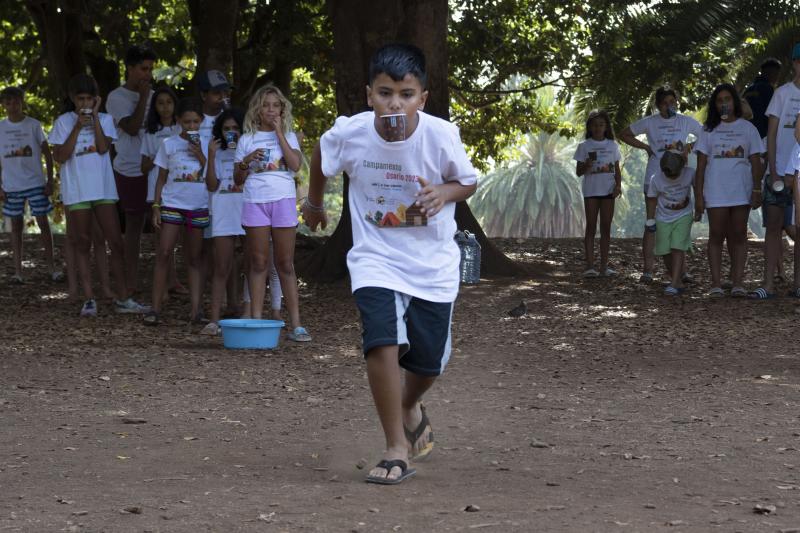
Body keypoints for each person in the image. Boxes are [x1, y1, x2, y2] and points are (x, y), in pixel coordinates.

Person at [303, 43, 478, 485]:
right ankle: (396, 447)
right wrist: (314, 202)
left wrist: (443, 194)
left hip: (432, 262)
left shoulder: (440, 135)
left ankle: (408, 402)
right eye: (385, 93)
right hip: (375, 255)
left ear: (422, 97)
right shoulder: (353, 133)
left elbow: (467, 182)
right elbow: (323, 157)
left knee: (427, 363)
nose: (394, 104)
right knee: (382, 340)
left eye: (405, 93)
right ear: (368, 95)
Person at [49, 73, 149, 316]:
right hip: (77, 191)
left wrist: (94, 119)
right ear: (73, 98)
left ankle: (123, 298)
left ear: (96, 100)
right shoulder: (62, 122)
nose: (84, 104)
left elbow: (104, 148)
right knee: (82, 242)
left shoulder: (104, 120)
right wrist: (76, 127)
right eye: (80, 99)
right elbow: (60, 156)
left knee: (115, 241)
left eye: (89, 99)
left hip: (103, 189)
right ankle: (89, 298)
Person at [233, 84, 310, 341]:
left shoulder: (288, 135)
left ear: (282, 109)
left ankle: (297, 324)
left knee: (285, 263)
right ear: (257, 109)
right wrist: (246, 160)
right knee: (258, 262)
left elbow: (297, 165)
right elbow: (238, 177)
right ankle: (255, 319)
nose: (270, 109)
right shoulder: (246, 139)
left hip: (284, 200)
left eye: (275, 105)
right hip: (255, 200)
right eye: (265, 105)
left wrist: (279, 133)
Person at [619, 86, 702, 283]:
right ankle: (648, 269)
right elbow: (624, 134)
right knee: (651, 223)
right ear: (658, 105)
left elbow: (707, 135)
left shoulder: (685, 121)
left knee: (680, 221)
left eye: (672, 102)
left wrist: (689, 148)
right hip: (654, 176)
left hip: (680, 177)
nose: (669, 107)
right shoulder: (650, 122)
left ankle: (682, 271)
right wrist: (646, 147)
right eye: (664, 103)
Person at [693, 83, 763, 298]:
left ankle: (738, 282)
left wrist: (757, 189)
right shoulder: (708, 130)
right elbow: (701, 166)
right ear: (715, 105)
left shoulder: (748, 129)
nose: (724, 103)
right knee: (716, 234)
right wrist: (698, 196)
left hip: (741, 190)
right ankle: (715, 283)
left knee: (739, 235)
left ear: (735, 102)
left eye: (728, 99)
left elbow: (756, 162)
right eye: (720, 100)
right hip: (715, 191)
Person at [144, 97, 209, 325]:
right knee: (163, 252)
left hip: (198, 205)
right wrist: (156, 206)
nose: (192, 126)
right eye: (187, 122)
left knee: (194, 258)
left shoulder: (208, 143)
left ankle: (196, 311)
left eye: (196, 122)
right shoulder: (168, 144)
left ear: (201, 122)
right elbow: (160, 178)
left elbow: (212, 175)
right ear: (179, 121)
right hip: (172, 203)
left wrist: (200, 152)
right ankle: (154, 309)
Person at [106, 44, 156, 295]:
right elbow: (133, 127)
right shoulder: (116, 97)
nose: (147, 74)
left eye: (150, 69)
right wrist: (145, 98)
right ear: (129, 68)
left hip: (156, 169)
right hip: (129, 169)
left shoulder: (156, 95)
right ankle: (131, 281)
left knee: (162, 224)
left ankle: (168, 281)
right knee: (134, 225)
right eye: (143, 69)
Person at [0, 86, 61, 283]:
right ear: (3, 105)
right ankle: (18, 272)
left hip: (35, 182)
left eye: (16, 101)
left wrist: (50, 180)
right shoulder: (1, 127)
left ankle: (52, 268)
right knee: (15, 226)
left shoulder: (33, 125)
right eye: (8, 102)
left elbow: (47, 153)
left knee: (43, 222)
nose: (12, 106)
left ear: (22, 102)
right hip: (11, 185)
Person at [202, 107, 247, 335]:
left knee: (253, 264)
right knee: (221, 266)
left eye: (235, 128)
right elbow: (211, 185)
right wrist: (210, 155)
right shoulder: (217, 154)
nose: (231, 132)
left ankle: (250, 313)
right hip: (223, 214)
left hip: (249, 213)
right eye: (226, 128)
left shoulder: (249, 150)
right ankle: (213, 320)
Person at [140, 86, 184, 297]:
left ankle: (174, 280)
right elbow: (143, 166)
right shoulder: (150, 133)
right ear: (154, 107)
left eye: (169, 102)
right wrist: (158, 157)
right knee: (161, 239)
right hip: (156, 187)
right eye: (160, 103)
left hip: (179, 187)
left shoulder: (181, 129)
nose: (165, 107)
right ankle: (163, 285)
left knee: (176, 237)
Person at [573, 109, 621, 278]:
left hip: (608, 190)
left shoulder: (613, 145)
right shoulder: (584, 146)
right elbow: (578, 172)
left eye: (601, 124)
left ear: (606, 126)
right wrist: (586, 165)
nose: (598, 128)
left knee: (606, 227)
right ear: (590, 127)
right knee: (591, 227)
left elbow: (617, 168)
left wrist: (618, 186)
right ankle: (590, 266)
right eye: (594, 125)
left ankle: (604, 266)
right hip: (591, 191)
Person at [646, 151, 695, 295]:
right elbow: (652, 199)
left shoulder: (690, 173)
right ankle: (677, 280)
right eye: (669, 175)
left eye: (675, 174)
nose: (672, 177)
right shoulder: (656, 179)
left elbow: (699, 188)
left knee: (677, 247)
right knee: (664, 250)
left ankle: (674, 283)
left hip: (684, 215)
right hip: (663, 217)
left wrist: (699, 207)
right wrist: (650, 220)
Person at [743, 57, 782, 139]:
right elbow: (771, 114)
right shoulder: (768, 89)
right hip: (759, 134)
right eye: (777, 74)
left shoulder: (749, 89)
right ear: (771, 73)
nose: (777, 77)